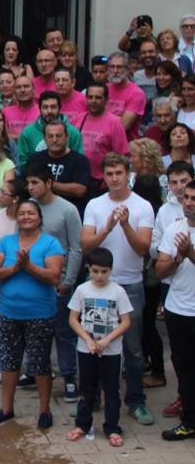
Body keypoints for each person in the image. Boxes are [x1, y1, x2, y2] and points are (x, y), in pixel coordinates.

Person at [82, 153, 156, 425]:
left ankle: (136, 401)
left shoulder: (143, 206)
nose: (114, 178)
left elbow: (142, 249)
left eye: (119, 173)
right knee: (97, 344)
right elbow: (86, 246)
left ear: (128, 174)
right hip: (98, 284)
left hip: (130, 284)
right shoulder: (94, 204)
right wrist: (108, 228)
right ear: (103, 175)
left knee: (134, 349)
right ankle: (95, 397)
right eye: (109, 173)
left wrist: (125, 225)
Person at [0, 198, 67, 427]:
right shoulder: (7, 243)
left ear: (39, 217)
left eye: (31, 213)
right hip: (9, 312)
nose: (26, 217)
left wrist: (29, 266)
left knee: (40, 362)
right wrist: (14, 268)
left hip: (40, 313)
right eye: (22, 213)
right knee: (10, 362)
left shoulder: (50, 244)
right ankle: (6, 408)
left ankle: (44, 410)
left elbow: (53, 277)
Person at [22, 165, 84, 403]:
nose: (31, 187)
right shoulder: (27, 208)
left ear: (49, 183)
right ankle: (36, 371)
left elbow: (76, 247)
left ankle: (69, 377)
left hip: (59, 282)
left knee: (63, 332)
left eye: (35, 182)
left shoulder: (67, 209)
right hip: (32, 279)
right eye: (28, 183)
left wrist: (68, 280)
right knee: (34, 331)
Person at [66, 248, 133, 447]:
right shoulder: (82, 289)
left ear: (111, 270)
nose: (99, 276)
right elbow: (73, 319)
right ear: (89, 269)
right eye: (95, 271)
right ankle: (83, 424)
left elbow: (126, 321)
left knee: (112, 390)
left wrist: (106, 341)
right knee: (86, 389)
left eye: (104, 272)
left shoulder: (118, 291)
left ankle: (112, 427)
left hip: (111, 351)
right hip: (86, 349)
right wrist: (87, 339)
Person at [156, 181, 195, 440]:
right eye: (187, 197)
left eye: (194, 198)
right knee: (183, 366)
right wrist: (178, 257)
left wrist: (189, 251)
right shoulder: (173, 229)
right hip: (178, 308)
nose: (189, 202)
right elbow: (160, 271)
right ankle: (190, 420)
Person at [78, 84, 131, 184]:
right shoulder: (78, 119)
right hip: (79, 179)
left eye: (98, 98)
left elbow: (121, 156)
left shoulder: (115, 123)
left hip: (102, 182)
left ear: (106, 100)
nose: (93, 101)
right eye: (90, 97)